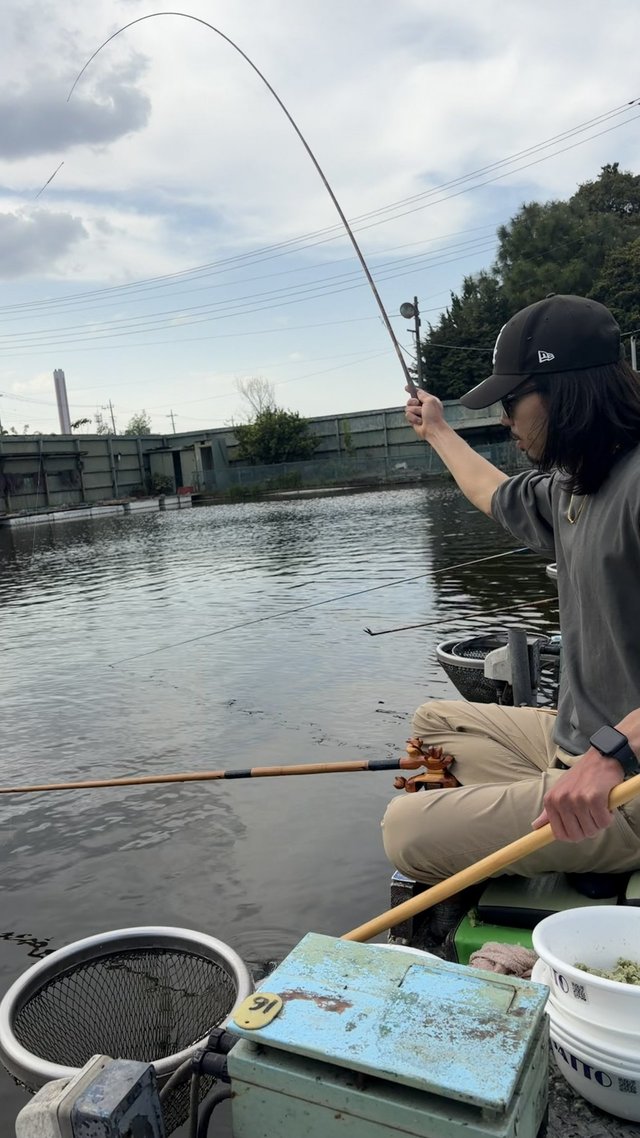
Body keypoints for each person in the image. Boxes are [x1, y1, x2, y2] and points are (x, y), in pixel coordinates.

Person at [382, 294, 640, 886]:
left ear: (562, 393)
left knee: (405, 830)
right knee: (434, 723)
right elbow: (492, 492)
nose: (504, 420)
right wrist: (437, 431)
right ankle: (544, 802)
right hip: (581, 745)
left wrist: (611, 754)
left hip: (626, 781)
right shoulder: (577, 484)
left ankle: (567, 821)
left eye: (510, 401)